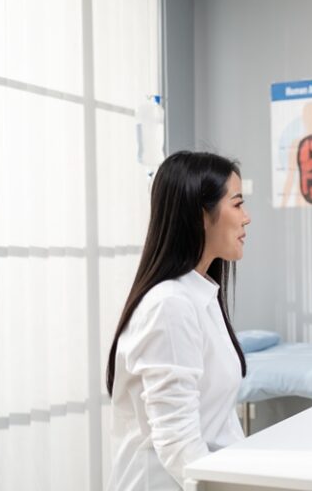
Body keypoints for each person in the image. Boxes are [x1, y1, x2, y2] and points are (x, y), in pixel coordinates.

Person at [105, 151, 251, 490]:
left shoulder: (200, 294)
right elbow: (178, 444)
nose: (247, 218)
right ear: (202, 214)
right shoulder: (169, 305)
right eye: (237, 204)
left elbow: (216, 424)